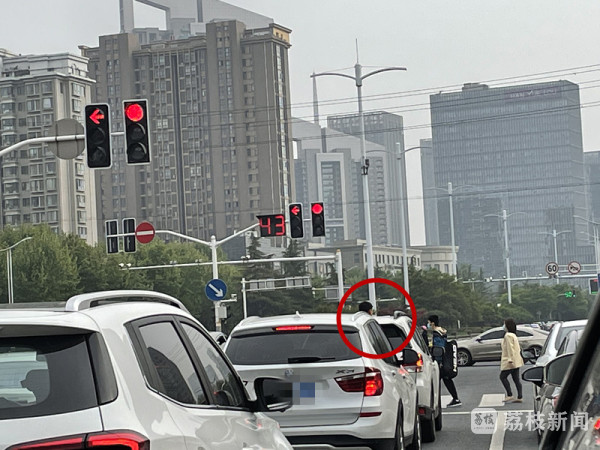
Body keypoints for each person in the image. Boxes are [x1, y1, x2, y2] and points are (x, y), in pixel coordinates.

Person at [428, 314, 462, 407]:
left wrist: (438, 361)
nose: (428, 324)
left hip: (440, 361)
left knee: (436, 381)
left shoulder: (436, 333)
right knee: (447, 379)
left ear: (433, 323)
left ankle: (434, 401)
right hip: (445, 359)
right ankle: (455, 398)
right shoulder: (442, 331)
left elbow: (439, 348)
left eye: (429, 322)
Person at [500, 318, 524, 403]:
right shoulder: (513, 335)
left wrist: (510, 359)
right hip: (516, 360)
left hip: (510, 361)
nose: (504, 326)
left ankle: (509, 395)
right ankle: (520, 397)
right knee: (516, 379)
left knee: (502, 377)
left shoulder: (508, 335)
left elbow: (510, 348)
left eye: (504, 324)